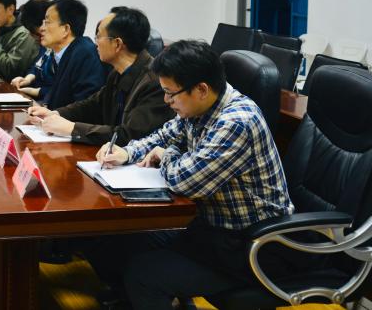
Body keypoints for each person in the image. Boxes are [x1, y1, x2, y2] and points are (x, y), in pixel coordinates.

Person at [97, 40, 294, 309]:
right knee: (128, 238)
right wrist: (127, 152)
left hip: (252, 246)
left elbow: (185, 181)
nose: (166, 101)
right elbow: (164, 135)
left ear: (201, 89)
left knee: (145, 276)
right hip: (213, 232)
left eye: (170, 93)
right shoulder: (201, 106)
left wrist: (167, 154)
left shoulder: (236, 122)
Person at [26, 6, 172, 145]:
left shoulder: (155, 82)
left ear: (117, 44)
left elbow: (129, 135)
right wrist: (55, 114)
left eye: (99, 36)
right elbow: (93, 105)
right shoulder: (117, 72)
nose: (95, 43)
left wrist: (72, 129)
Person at [18, 0, 105, 109]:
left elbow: (86, 106)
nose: (42, 28)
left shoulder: (85, 53)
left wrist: (52, 113)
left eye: (47, 22)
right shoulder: (63, 53)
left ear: (66, 29)